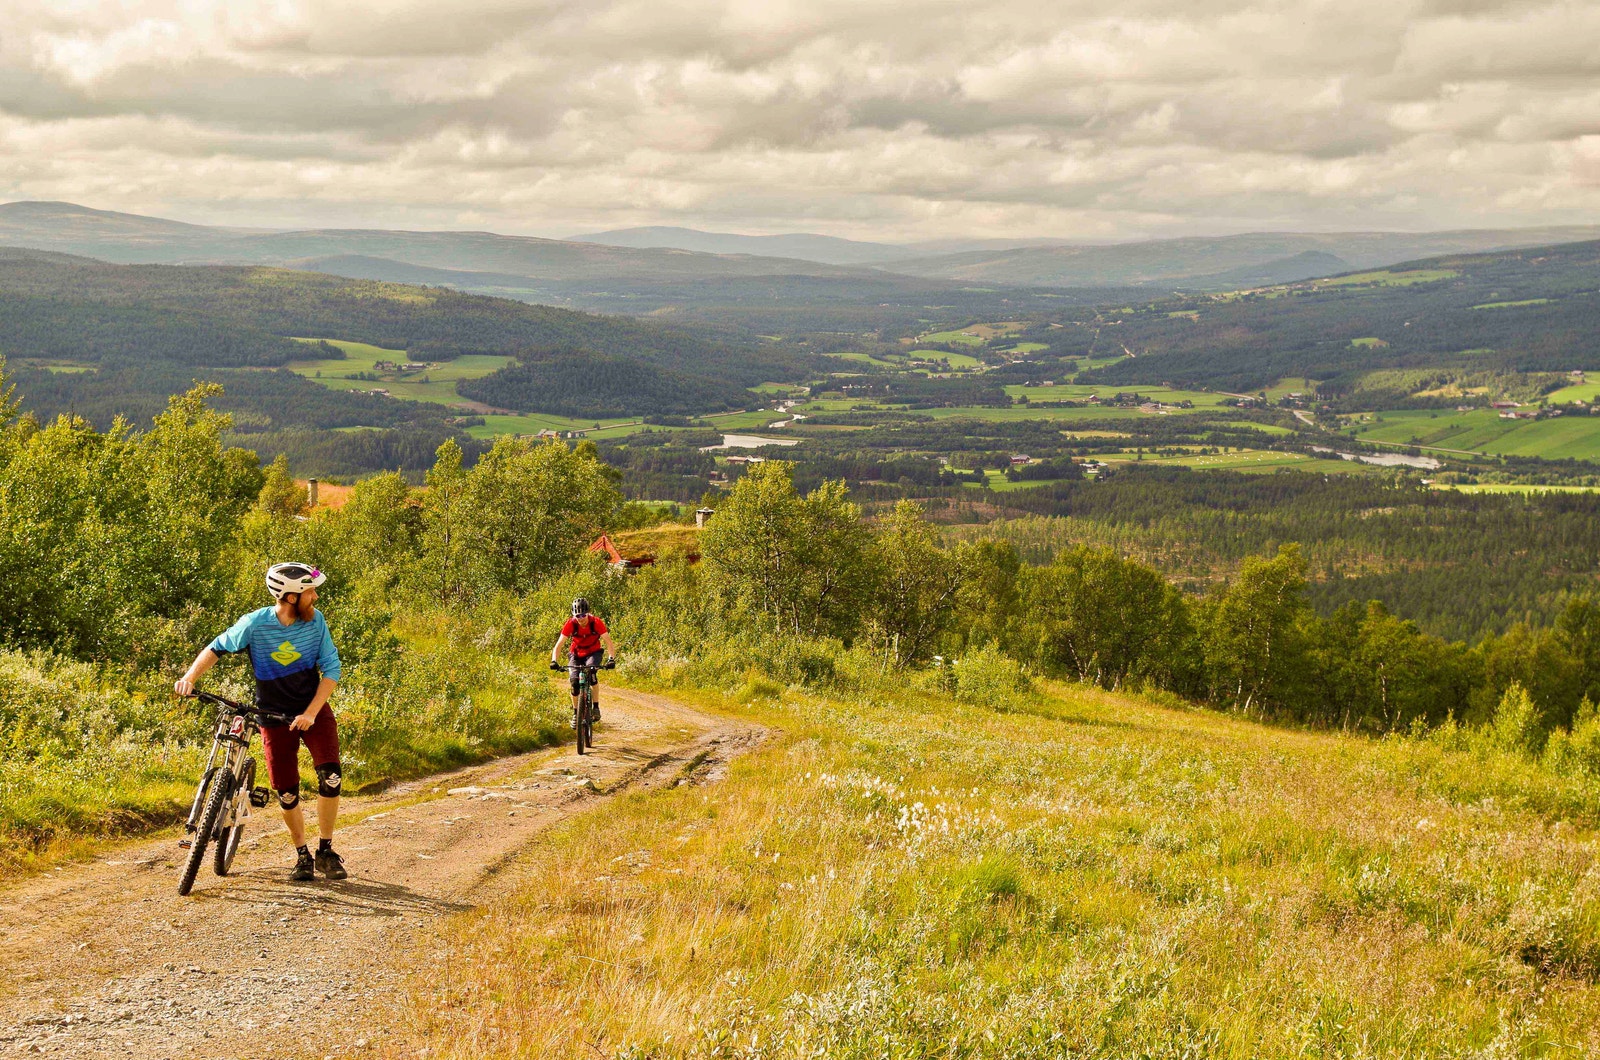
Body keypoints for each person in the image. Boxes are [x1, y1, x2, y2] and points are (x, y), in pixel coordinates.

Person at [175, 563, 348, 883]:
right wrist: (189, 677)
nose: (316, 596)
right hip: (272, 715)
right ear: (291, 597)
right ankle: (303, 856)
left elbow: (332, 669)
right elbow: (216, 648)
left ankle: (325, 850)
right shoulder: (255, 624)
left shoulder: (316, 622)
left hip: (312, 709)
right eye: (310, 592)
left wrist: (311, 712)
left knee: (331, 775)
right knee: (285, 792)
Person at [551, 597, 615, 721]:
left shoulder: (596, 622)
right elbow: (559, 644)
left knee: (591, 673)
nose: (581, 619)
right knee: (574, 683)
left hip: (593, 652)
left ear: (588, 613)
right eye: (577, 616)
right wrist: (554, 661)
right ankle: (576, 714)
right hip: (576, 653)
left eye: (583, 615)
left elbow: (609, 642)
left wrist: (611, 658)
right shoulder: (571, 624)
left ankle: (596, 707)